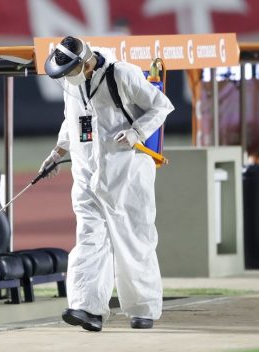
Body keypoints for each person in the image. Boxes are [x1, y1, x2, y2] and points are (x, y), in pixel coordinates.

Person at [40, 36, 174, 332]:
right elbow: (72, 121)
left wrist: (137, 132)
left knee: (133, 240)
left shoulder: (122, 74)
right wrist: (57, 153)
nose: (64, 79)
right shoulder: (72, 84)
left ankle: (143, 308)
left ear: (85, 63)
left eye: (67, 72)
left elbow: (161, 106)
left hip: (127, 172)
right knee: (89, 238)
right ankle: (87, 307)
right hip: (87, 173)